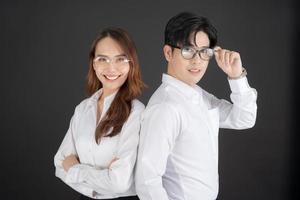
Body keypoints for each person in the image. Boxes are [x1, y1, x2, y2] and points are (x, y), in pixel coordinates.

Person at [135, 12, 257, 200]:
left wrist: (237, 76)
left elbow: (243, 119)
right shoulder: (165, 107)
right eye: (188, 50)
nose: (197, 60)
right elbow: (147, 181)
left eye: (204, 52)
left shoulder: (198, 94)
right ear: (168, 52)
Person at [54, 27, 145, 200]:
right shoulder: (82, 109)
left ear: (131, 64)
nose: (111, 68)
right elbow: (59, 163)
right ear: (94, 64)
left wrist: (74, 169)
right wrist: (100, 182)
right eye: (103, 59)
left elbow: (119, 183)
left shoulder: (136, 112)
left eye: (120, 59)